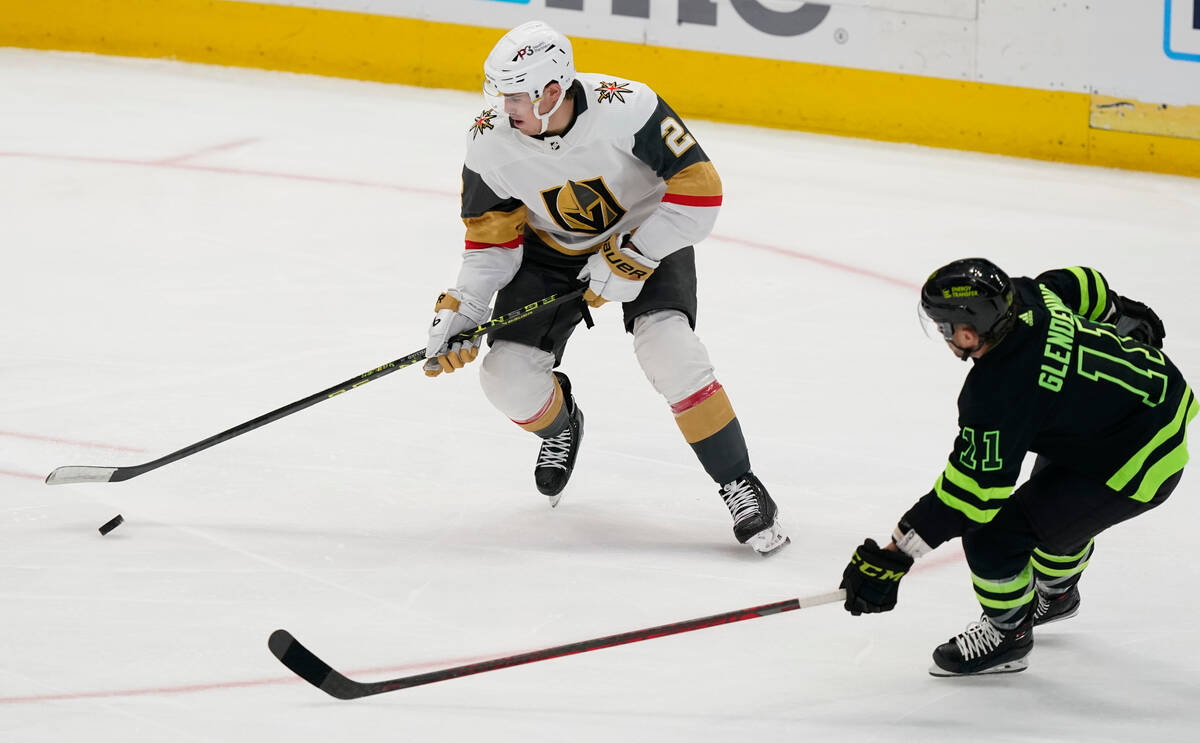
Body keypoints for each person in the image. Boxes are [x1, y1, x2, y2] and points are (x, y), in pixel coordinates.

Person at [421, 21, 788, 555]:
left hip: (647, 232)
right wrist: (464, 307)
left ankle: (738, 482)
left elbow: (700, 191)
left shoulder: (629, 107)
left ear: (552, 90)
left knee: (671, 351)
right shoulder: (489, 139)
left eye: (517, 95)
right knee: (505, 378)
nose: (506, 107)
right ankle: (561, 426)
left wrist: (635, 255)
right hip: (551, 253)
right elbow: (490, 239)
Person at [840, 257, 1192, 675]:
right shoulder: (1030, 294)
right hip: (1146, 404)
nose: (941, 333)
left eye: (944, 326)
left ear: (969, 333)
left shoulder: (999, 394)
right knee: (1054, 505)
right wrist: (1120, 311)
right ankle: (1058, 596)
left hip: (1137, 459)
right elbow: (1083, 284)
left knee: (993, 538)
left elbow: (970, 497)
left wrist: (897, 554)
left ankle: (1009, 635)